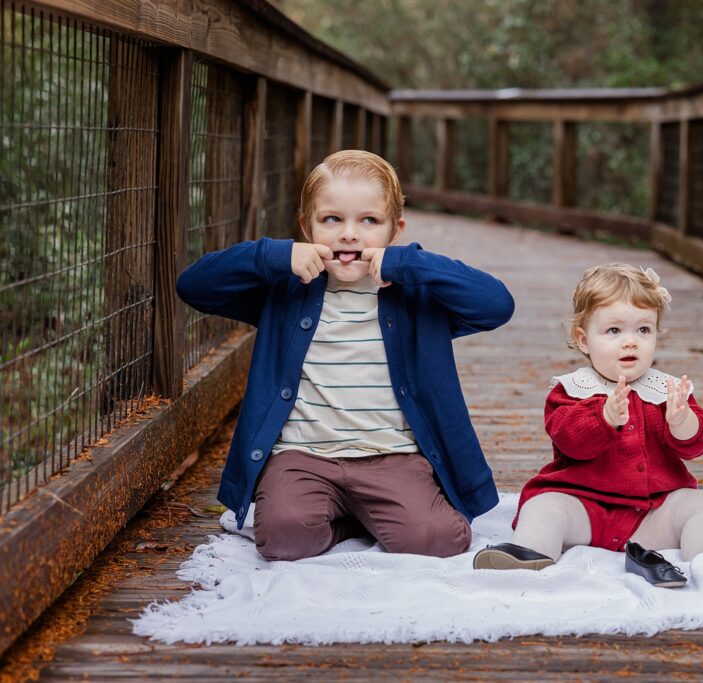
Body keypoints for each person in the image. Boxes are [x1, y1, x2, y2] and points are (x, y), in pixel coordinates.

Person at [176, 150, 514, 561]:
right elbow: (194, 286)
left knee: (436, 538)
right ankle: (347, 521)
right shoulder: (286, 290)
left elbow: (497, 304)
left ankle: (365, 514)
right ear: (307, 226)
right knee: (283, 537)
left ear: (395, 231)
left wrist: (409, 262)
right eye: (331, 219)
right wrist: (277, 256)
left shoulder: (416, 295)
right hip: (302, 458)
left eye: (369, 221)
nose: (349, 234)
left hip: (392, 458)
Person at [473, 263, 703, 586]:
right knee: (544, 505)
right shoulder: (570, 389)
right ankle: (530, 551)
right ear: (583, 340)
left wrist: (682, 421)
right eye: (614, 331)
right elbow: (568, 437)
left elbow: (699, 441)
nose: (631, 342)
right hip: (585, 509)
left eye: (643, 330)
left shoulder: (666, 390)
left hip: (651, 514)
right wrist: (603, 418)